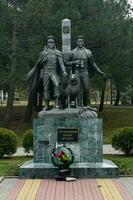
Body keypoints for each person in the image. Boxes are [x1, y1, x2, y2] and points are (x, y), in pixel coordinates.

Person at [26, 35, 67, 111]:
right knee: (45, 88)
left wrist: (64, 71)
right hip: (45, 72)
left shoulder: (58, 53)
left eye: (52, 42)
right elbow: (39, 64)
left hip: (53, 72)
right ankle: (46, 105)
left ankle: (57, 104)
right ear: (47, 43)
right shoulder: (43, 53)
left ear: (54, 43)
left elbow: (61, 64)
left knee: (57, 85)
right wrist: (43, 60)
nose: (51, 44)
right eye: (49, 42)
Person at [66, 35, 105, 106]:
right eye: (79, 41)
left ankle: (86, 104)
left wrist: (99, 71)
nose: (80, 42)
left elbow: (93, 64)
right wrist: (74, 62)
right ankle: (77, 104)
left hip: (84, 72)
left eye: (81, 41)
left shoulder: (88, 52)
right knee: (76, 89)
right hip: (76, 72)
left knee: (86, 88)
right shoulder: (72, 52)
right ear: (76, 42)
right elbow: (66, 63)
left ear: (83, 42)